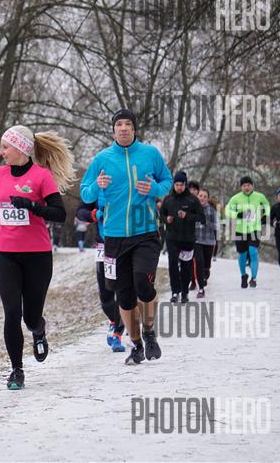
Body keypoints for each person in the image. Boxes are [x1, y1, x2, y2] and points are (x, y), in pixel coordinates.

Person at [0, 125, 74, 389]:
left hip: (37, 257)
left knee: (30, 318)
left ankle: (38, 330)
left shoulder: (41, 176)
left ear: (21, 148)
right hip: (6, 255)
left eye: (5, 147)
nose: (1, 152)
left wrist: (32, 206)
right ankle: (16, 370)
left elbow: (59, 214)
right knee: (12, 312)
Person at [80, 108, 173, 365]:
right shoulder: (102, 159)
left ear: (134, 129)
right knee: (124, 296)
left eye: (128, 124)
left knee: (144, 282)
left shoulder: (150, 154)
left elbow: (167, 181)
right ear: (113, 130)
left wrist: (154, 188)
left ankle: (149, 332)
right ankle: (137, 344)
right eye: (119, 124)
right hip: (113, 237)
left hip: (146, 232)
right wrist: (96, 186)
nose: (123, 128)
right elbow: (85, 193)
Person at [76, 199, 126, 352]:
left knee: (123, 292)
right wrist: (93, 214)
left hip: (125, 245)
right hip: (103, 247)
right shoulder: (97, 189)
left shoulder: (128, 186)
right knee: (105, 298)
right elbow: (80, 211)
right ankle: (115, 320)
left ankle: (118, 332)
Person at [160, 171, 205, 303]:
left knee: (186, 266)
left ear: (185, 185)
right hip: (172, 237)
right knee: (173, 263)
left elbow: (202, 218)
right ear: (174, 185)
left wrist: (187, 216)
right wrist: (166, 219)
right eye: (177, 185)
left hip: (187, 238)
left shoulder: (192, 200)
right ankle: (175, 292)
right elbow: (160, 215)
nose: (179, 187)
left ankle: (184, 292)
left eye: (181, 185)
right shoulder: (168, 199)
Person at [224, 176, 271, 288]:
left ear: (252, 185)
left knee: (253, 251)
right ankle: (243, 275)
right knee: (242, 254)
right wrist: (237, 214)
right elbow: (227, 210)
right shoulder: (236, 198)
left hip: (255, 229)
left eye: (249, 185)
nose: (247, 187)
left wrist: (265, 215)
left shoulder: (259, 196)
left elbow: (267, 205)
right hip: (240, 230)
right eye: (244, 185)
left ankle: (254, 278)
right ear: (241, 187)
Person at [194, 188, 218, 297]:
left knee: (206, 265)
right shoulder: (193, 208)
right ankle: (201, 289)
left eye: (205, 196)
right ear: (197, 197)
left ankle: (206, 272)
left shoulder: (212, 210)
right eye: (200, 196)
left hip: (208, 241)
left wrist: (206, 222)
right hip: (196, 240)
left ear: (207, 199)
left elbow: (216, 226)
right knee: (199, 262)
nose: (202, 198)